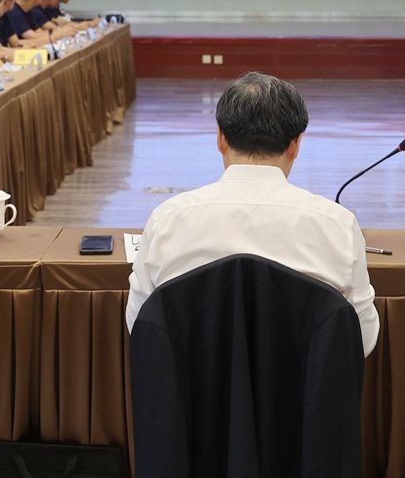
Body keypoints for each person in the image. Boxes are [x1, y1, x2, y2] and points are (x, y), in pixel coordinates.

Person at [126, 72, 379, 357]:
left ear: (221, 138)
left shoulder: (167, 220)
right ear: (296, 145)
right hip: (304, 387)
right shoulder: (337, 225)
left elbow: (140, 324)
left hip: (191, 385)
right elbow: (362, 338)